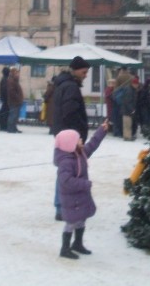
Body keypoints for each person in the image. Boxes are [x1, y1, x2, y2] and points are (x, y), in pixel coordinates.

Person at [54, 120, 109, 259]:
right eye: (78, 140)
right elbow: (65, 181)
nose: (81, 141)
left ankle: (77, 243)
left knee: (81, 219)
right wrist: (84, 184)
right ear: (69, 144)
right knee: (71, 222)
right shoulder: (66, 162)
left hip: (80, 197)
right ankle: (64, 248)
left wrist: (102, 130)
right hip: (72, 198)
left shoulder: (80, 153)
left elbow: (93, 144)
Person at [49, 56, 91, 219]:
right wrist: (76, 137)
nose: (86, 75)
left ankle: (62, 205)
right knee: (68, 170)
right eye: (84, 71)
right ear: (75, 70)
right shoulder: (71, 87)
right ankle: (62, 207)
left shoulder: (63, 85)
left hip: (62, 133)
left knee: (65, 170)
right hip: (69, 137)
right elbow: (70, 112)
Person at [6, 67, 24, 134]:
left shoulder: (15, 80)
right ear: (13, 73)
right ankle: (10, 128)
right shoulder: (11, 81)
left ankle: (14, 127)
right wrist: (18, 98)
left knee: (15, 116)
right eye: (17, 73)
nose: (18, 74)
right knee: (13, 115)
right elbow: (12, 92)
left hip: (17, 102)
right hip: (14, 102)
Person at [0, 67, 10, 132]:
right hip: (5, 99)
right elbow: (4, 90)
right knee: (4, 112)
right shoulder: (4, 80)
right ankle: (3, 126)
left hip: (4, 98)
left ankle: (3, 126)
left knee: (4, 112)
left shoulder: (4, 79)